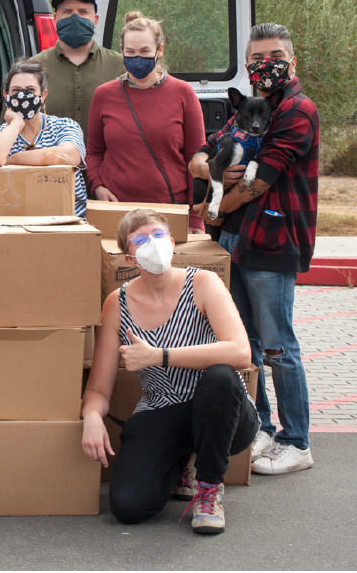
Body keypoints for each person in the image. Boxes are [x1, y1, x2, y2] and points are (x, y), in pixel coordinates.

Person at [189, 22, 320, 476]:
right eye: (258, 60)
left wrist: (216, 208)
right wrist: (211, 172)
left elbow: (262, 180)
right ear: (248, 66)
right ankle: (262, 426)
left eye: (276, 57)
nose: (267, 67)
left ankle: (297, 440)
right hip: (235, 243)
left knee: (279, 346)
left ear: (292, 61)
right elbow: (201, 155)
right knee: (246, 344)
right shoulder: (245, 109)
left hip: (272, 241)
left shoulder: (296, 110)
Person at [81, 209, 256, 535]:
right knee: (128, 506)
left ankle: (208, 486)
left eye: (159, 236)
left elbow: (240, 352)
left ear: (173, 244)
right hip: (164, 408)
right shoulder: (116, 304)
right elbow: (98, 390)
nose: (154, 244)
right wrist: (91, 416)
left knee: (220, 376)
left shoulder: (203, 283)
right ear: (129, 257)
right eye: (142, 240)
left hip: (221, 412)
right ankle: (179, 462)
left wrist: (159, 356)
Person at [86, 12, 206, 232]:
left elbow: (196, 161)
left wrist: (195, 217)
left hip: (170, 211)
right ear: (121, 50)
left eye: (144, 51)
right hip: (117, 211)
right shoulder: (103, 95)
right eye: (130, 52)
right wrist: (98, 186)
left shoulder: (183, 93)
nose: (137, 58)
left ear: (159, 50)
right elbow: (93, 152)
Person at [0, 58, 87, 217]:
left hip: (67, 223)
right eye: (16, 90)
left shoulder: (65, 126)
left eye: (30, 90)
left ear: (43, 95)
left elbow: (66, 156)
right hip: (14, 225)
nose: (23, 95)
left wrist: (11, 160)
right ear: (6, 95)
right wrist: (16, 124)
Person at [30, 0, 124, 139]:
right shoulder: (32, 69)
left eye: (83, 12)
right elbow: (11, 128)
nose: (75, 17)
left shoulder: (121, 66)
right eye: (67, 11)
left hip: (105, 163)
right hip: (49, 162)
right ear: (55, 19)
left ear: (95, 20)